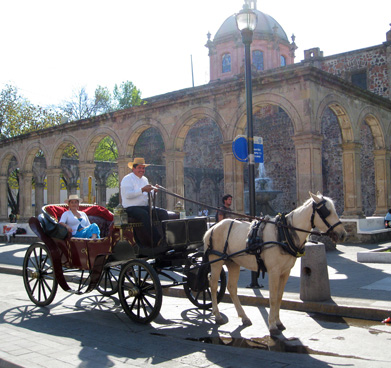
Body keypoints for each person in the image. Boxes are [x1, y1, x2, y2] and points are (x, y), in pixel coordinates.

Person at [120, 157, 168, 246]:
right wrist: (142, 189)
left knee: (163, 213)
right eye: (139, 168)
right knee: (144, 215)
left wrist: (154, 191)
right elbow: (127, 195)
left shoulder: (145, 179)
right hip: (130, 208)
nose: (142, 170)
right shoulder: (127, 179)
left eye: (143, 168)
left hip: (144, 207)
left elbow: (147, 195)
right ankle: (156, 240)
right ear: (133, 168)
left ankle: (167, 237)